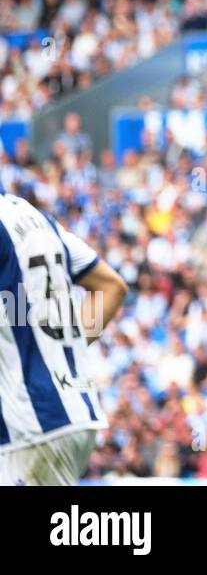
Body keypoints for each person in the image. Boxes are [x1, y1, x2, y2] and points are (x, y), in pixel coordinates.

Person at [0, 185, 129, 485]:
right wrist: (61, 350)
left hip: (30, 427)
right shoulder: (38, 219)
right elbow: (111, 287)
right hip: (63, 414)